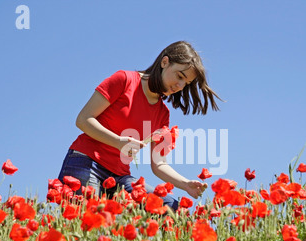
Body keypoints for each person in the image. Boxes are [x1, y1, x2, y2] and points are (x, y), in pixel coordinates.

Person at [57, 40, 221, 211]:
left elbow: (159, 164)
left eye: (185, 84)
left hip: (120, 177)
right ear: (165, 62)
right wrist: (118, 142)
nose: (179, 86)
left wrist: (185, 184)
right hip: (86, 162)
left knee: (169, 208)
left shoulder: (162, 114)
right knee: (87, 221)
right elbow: (83, 119)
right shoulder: (124, 80)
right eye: (180, 76)